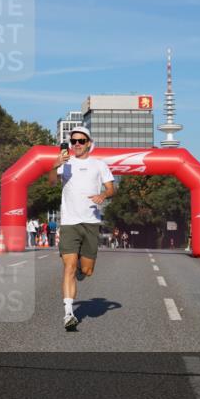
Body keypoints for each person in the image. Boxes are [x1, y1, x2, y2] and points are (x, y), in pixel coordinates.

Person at [47, 126, 116, 330]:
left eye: (81, 141)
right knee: (67, 266)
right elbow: (51, 183)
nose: (76, 144)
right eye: (73, 141)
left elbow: (111, 188)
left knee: (86, 270)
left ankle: (80, 269)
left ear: (89, 143)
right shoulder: (65, 163)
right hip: (69, 222)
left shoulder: (99, 165)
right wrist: (54, 166)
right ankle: (69, 314)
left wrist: (103, 195)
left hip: (91, 223)